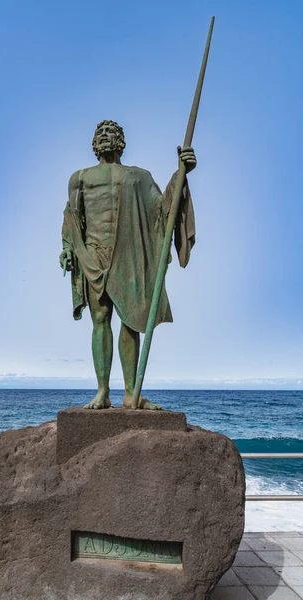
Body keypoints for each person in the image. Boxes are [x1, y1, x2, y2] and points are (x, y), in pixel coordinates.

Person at [60, 120, 196, 409]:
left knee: (130, 321)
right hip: (93, 254)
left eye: (111, 133)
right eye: (100, 133)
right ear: (94, 143)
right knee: (100, 319)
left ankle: (132, 393)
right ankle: (102, 391)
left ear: (121, 141)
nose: (106, 136)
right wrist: (68, 248)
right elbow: (72, 218)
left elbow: (163, 209)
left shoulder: (139, 177)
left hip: (128, 254)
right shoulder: (80, 178)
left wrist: (180, 174)